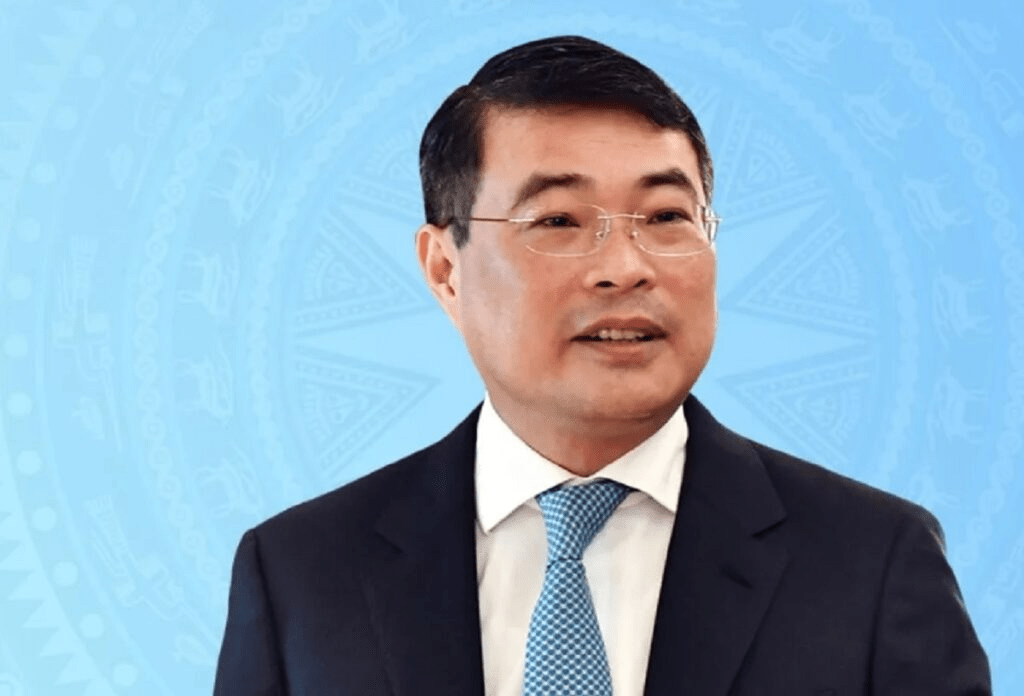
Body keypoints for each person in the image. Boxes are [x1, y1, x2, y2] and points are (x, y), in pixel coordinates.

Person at [213, 35, 991, 695]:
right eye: (558, 219)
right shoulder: (301, 575)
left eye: (667, 216)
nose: (625, 267)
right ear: (446, 269)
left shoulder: (873, 563)